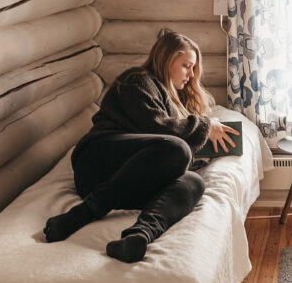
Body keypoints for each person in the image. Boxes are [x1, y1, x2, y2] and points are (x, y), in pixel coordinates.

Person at [43, 29, 238, 262]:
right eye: (187, 65)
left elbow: (163, 148)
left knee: (193, 183)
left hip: (128, 181)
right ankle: (80, 214)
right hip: (97, 162)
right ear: (166, 60)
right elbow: (161, 129)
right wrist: (205, 126)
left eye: (194, 68)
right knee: (177, 149)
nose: (191, 74)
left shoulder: (171, 98)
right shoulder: (137, 80)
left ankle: (138, 236)